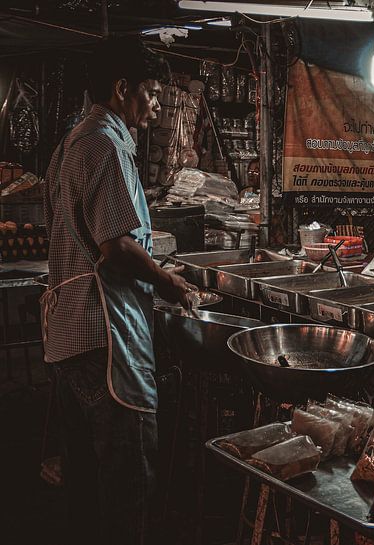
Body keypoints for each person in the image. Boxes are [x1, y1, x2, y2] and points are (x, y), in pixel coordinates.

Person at [41, 37, 193, 545]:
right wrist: (169, 281)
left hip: (69, 334)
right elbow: (117, 246)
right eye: (151, 92)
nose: (155, 105)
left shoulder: (69, 144)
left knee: (84, 481)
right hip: (105, 335)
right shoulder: (106, 142)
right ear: (122, 88)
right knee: (128, 479)